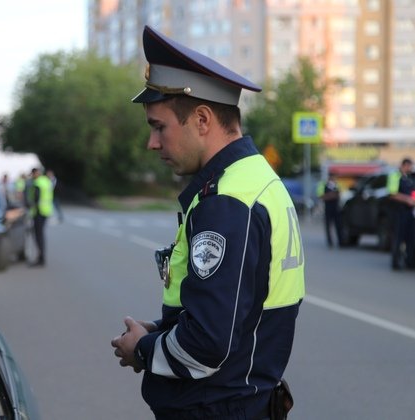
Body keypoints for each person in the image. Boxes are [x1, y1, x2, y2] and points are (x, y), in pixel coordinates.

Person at [110, 26, 305, 420]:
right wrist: (161, 331)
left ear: (201, 120)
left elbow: (208, 344)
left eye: (158, 126)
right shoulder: (256, 179)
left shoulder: (227, 202)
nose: (152, 143)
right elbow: (235, 316)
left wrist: (143, 349)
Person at [387, 158, 415, 270]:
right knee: (398, 237)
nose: (411, 168)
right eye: (410, 166)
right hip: (399, 212)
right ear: (404, 165)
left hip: (409, 212)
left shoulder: (409, 177)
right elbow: (392, 193)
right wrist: (407, 200)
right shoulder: (395, 176)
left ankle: (410, 262)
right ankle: (396, 262)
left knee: (410, 237)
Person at [28, 168, 54, 267]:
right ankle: (41, 257)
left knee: (38, 236)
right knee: (41, 235)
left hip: (38, 212)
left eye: (33, 174)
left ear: (36, 173)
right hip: (46, 211)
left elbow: (36, 198)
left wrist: (30, 205)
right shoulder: (46, 181)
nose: (32, 176)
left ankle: (41, 258)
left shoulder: (38, 183)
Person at [317, 174, 342, 247]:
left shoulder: (337, 185)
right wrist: (331, 195)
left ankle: (341, 241)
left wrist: (330, 195)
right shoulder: (323, 185)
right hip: (328, 209)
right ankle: (330, 242)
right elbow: (321, 196)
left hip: (336, 208)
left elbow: (339, 194)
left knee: (339, 225)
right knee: (328, 226)